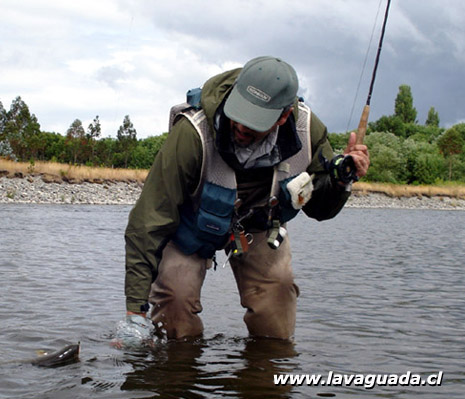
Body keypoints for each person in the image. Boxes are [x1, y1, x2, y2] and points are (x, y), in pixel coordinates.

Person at [119, 56, 370, 342]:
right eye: (238, 113)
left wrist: (341, 180)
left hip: (260, 227)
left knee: (277, 298)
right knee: (174, 303)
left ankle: (264, 378)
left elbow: (320, 210)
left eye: (254, 121)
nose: (240, 125)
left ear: (284, 116)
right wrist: (134, 313)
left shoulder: (309, 131)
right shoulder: (191, 133)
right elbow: (148, 221)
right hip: (191, 226)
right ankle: (177, 374)